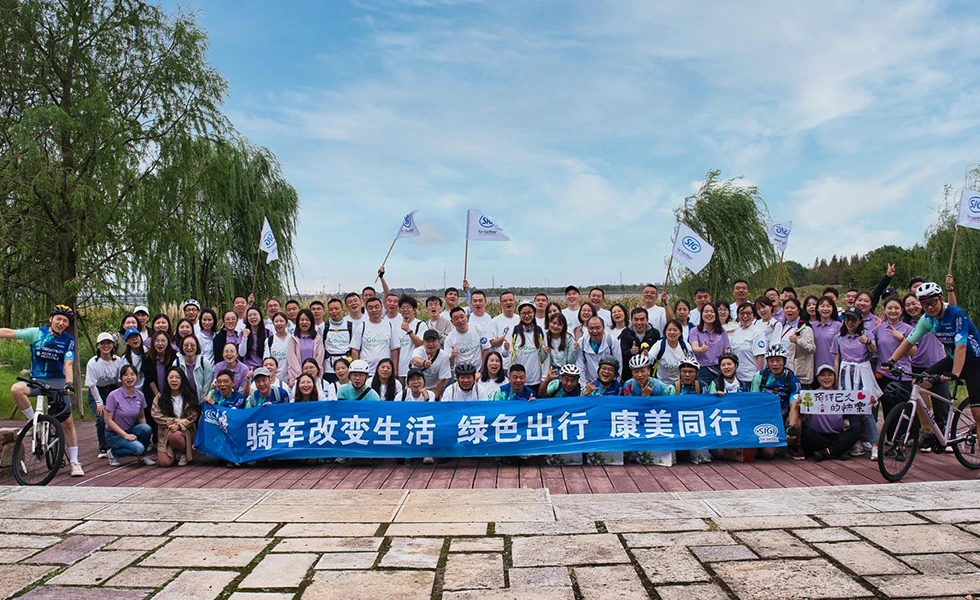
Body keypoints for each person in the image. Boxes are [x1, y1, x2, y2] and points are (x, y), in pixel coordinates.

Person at [884, 282, 980, 431]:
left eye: (932, 302)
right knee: (918, 383)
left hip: (975, 362)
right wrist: (891, 360)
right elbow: (909, 342)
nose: (929, 307)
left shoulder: (956, 314)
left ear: (941, 299)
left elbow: (961, 346)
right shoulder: (927, 319)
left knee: (978, 414)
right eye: (924, 304)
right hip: (954, 358)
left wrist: (955, 373)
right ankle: (927, 429)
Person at [834, 306, 883, 459]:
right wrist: (836, 379)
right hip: (846, 373)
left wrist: (867, 342)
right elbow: (837, 358)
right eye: (847, 318)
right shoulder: (839, 337)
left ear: (860, 320)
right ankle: (857, 442)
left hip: (862, 371)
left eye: (853, 319)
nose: (849, 322)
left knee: (866, 409)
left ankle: (875, 444)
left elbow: (874, 350)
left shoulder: (866, 334)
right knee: (851, 408)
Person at [901, 292, 950, 430]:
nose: (911, 307)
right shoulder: (905, 325)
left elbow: (952, 308)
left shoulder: (934, 318)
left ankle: (944, 434)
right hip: (916, 367)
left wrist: (950, 290)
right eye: (907, 305)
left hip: (938, 364)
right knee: (921, 404)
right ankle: (927, 432)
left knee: (942, 402)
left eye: (914, 303)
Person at [869, 296, 915, 436]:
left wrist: (901, 338)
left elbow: (913, 351)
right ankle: (889, 438)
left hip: (903, 375)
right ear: (885, 310)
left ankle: (901, 439)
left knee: (901, 409)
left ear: (901, 311)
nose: (893, 311)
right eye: (890, 308)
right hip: (883, 374)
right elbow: (873, 349)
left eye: (896, 308)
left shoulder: (908, 328)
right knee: (887, 408)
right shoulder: (878, 329)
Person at [751, 345, 803, 460]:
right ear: (767, 362)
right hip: (766, 417)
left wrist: (792, 427)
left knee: (797, 423)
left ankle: (792, 447)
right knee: (769, 454)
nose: (775, 364)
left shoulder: (792, 379)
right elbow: (754, 401)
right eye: (771, 361)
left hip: (784, 414)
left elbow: (794, 404)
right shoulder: (760, 376)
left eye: (778, 360)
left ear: (784, 362)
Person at [802, 365, 862, 461]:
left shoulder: (843, 396)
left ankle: (825, 452)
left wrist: (867, 404)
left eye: (830, 375)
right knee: (806, 434)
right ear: (817, 378)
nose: (826, 378)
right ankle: (838, 450)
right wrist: (799, 404)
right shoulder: (810, 395)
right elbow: (803, 415)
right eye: (822, 375)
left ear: (835, 378)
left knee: (855, 431)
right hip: (818, 436)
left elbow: (859, 413)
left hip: (837, 435)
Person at [104, 364, 156, 467]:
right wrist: (125, 435)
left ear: (137, 377)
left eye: (132, 374)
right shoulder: (113, 395)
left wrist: (146, 435)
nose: (129, 377)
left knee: (146, 428)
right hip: (114, 434)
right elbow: (108, 420)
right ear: (120, 378)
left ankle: (143, 456)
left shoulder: (140, 395)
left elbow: (141, 417)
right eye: (126, 375)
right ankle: (113, 453)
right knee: (138, 448)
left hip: (130, 429)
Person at [151, 366, 200, 467]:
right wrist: (175, 421)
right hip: (165, 431)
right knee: (164, 463)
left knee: (175, 435)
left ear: (182, 380)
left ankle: (183, 452)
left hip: (185, 431)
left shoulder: (189, 395)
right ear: (166, 379)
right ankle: (174, 451)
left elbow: (193, 416)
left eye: (177, 377)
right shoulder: (160, 397)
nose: (174, 380)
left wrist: (178, 426)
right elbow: (156, 415)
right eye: (171, 377)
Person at [85, 332, 121, 460]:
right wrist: (99, 403)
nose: (106, 346)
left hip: (112, 391)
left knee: (117, 416)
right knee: (101, 417)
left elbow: (119, 381)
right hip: (97, 392)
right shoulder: (93, 363)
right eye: (103, 343)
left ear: (113, 345)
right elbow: (92, 385)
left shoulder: (118, 361)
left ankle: (116, 443)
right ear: (98, 346)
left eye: (109, 343)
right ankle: (102, 446)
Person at [674, 356, 712, 464]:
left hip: (696, 426)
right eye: (684, 371)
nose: (687, 375)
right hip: (678, 425)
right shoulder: (673, 387)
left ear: (697, 373)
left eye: (691, 372)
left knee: (702, 459)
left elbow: (708, 407)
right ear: (679, 372)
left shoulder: (702, 386)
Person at [689, 303, 730, 388]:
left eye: (712, 311)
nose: (709, 314)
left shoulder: (722, 331)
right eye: (706, 311)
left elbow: (726, 351)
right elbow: (694, 347)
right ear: (702, 314)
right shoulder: (694, 331)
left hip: (718, 368)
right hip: (701, 370)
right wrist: (701, 349)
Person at [618, 307, 662, 383]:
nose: (639, 323)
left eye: (642, 319)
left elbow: (658, 356)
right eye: (636, 319)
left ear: (647, 320)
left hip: (650, 375)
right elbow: (621, 354)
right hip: (630, 376)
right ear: (631, 320)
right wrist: (630, 352)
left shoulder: (655, 333)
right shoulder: (625, 333)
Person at [778, 298, 815, 388]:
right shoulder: (782, 327)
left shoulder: (805, 328)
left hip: (799, 373)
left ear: (798, 310)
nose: (789, 310)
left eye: (792, 308)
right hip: (784, 372)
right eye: (786, 308)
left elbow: (811, 348)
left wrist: (798, 341)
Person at [729, 303, 767, 388]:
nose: (745, 316)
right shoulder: (737, 332)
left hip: (751, 379)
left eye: (749, 313)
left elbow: (761, 357)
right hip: (738, 379)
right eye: (742, 313)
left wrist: (758, 379)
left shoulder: (758, 333)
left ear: (754, 316)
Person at [509, 302, 546, 388]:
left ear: (534, 313)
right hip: (518, 381)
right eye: (523, 313)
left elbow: (545, 356)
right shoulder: (514, 331)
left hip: (536, 380)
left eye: (529, 313)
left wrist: (544, 377)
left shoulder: (540, 331)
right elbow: (507, 355)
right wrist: (509, 376)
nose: (527, 316)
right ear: (519, 315)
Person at [647, 320, 692, 385]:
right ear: (665, 332)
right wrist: (645, 356)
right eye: (669, 330)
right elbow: (649, 359)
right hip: (661, 384)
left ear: (680, 333)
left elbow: (692, 363)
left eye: (675, 330)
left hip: (680, 384)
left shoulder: (685, 346)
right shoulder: (659, 345)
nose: (672, 332)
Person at [287, 309, 324, 387]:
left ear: (311, 322)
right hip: (298, 377)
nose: (304, 322)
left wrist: (313, 373)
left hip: (314, 378)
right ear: (298, 322)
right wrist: (301, 376)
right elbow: (292, 360)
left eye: (307, 320)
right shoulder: (293, 339)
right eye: (302, 320)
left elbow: (319, 358)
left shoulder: (317, 338)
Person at [446, 307, 490, 373]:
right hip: (461, 374)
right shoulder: (449, 339)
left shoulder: (478, 329)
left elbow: (486, 348)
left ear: (466, 317)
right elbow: (449, 364)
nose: (460, 320)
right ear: (452, 322)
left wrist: (482, 368)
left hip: (479, 371)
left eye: (462, 317)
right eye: (456, 319)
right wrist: (452, 356)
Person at [575, 316, 616, 387]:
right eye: (591, 328)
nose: (594, 331)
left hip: (609, 384)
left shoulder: (612, 341)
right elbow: (580, 366)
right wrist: (583, 386)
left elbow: (618, 364)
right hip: (589, 383)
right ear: (587, 329)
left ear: (603, 328)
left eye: (598, 328)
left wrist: (613, 385)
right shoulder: (582, 342)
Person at [411, 330, 452, 397]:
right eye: (428, 341)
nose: (430, 344)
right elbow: (415, 361)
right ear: (423, 342)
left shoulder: (444, 356)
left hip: (434, 388)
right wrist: (423, 363)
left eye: (433, 341)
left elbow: (441, 380)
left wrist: (435, 398)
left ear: (438, 342)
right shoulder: (418, 350)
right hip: (417, 386)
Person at [323, 298, 355, 382]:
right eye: (331, 309)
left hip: (346, 366)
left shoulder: (350, 326)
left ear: (342, 309)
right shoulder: (323, 327)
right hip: (328, 368)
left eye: (336, 308)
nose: (334, 311)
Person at [542, 313, 580, 383]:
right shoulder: (544, 338)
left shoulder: (568, 339)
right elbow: (540, 360)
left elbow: (571, 361)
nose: (555, 326)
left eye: (559, 324)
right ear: (549, 323)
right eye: (554, 323)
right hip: (549, 374)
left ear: (563, 327)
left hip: (565, 374)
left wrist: (574, 349)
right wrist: (543, 353)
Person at [811, 297, 840, 387]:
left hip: (832, 368)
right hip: (815, 369)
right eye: (822, 306)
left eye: (828, 306)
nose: (825, 309)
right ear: (818, 309)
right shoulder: (812, 326)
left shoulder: (838, 326)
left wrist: (837, 372)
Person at [175, 334, 212, 404]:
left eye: (192, 345)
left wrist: (201, 403)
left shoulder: (204, 362)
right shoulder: (177, 363)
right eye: (186, 345)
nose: (189, 348)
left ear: (197, 346)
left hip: (201, 400)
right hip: (183, 402)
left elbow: (207, 385)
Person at [396, 295, 426, 382]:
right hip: (400, 370)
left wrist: (409, 330)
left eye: (408, 307)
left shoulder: (421, 324)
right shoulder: (397, 326)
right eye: (403, 307)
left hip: (415, 368)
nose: (405, 310)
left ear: (414, 309)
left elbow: (421, 344)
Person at [490, 291, 520, 369]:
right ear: (501, 304)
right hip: (503, 365)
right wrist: (506, 337)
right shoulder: (495, 321)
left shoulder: (520, 319)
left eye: (510, 300)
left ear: (515, 302)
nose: (508, 302)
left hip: (519, 363)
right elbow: (491, 343)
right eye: (505, 301)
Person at [263, 312, 291, 382]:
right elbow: (266, 361)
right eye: (276, 321)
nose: (279, 324)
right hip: (274, 380)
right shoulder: (269, 340)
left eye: (281, 321)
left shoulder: (292, 339)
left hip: (290, 379)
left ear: (286, 323)